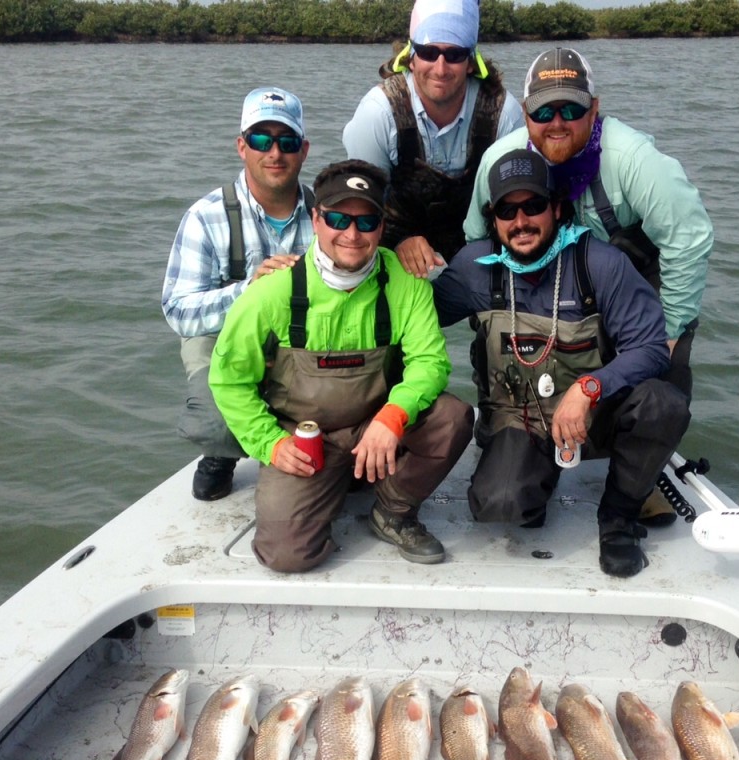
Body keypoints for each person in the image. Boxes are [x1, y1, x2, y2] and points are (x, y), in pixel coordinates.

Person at [464, 48, 712, 527]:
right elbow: (476, 240)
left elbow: (690, 238)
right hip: (543, 298)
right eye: (543, 111)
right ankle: (510, 439)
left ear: (594, 108)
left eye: (572, 109)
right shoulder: (500, 159)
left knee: (657, 379)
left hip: (629, 290)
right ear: (525, 112)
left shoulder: (633, 160)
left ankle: (638, 478)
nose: (557, 122)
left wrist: (670, 330)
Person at [432, 149, 691, 577]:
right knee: (500, 505)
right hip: (521, 418)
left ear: (556, 208)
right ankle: (529, 471)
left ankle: (619, 518)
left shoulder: (601, 265)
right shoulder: (473, 268)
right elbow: (411, 317)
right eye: (506, 210)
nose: (521, 222)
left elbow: (650, 348)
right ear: (492, 217)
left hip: (591, 418)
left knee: (664, 403)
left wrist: (590, 388)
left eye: (534, 206)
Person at [208, 160, 474, 573]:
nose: (352, 234)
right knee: (288, 555)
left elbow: (430, 363)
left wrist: (394, 414)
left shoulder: (405, 283)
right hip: (306, 441)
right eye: (337, 218)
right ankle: (330, 486)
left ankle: (392, 509)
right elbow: (228, 381)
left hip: (376, 429)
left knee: (452, 417)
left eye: (367, 221)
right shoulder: (271, 293)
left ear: (381, 227)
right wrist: (271, 445)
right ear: (316, 220)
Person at [162, 87, 314, 501]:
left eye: (286, 141)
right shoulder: (205, 217)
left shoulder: (330, 217)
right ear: (241, 146)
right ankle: (221, 452)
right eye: (261, 140)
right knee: (213, 424)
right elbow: (178, 312)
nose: (274, 153)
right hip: (225, 343)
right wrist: (248, 293)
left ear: (303, 150)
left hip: (303, 342)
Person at [342, 0, 523, 278]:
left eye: (454, 55)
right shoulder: (377, 114)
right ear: (410, 57)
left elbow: (516, 206)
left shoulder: (504, 114)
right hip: (393, 246)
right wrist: (399, 241)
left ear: (471, 62)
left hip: (481, 249)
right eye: (428, 52)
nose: (440, 69)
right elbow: (360, 207)